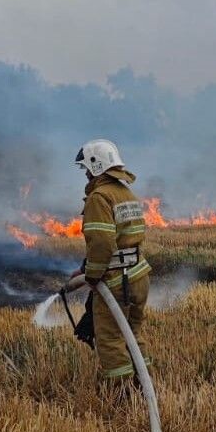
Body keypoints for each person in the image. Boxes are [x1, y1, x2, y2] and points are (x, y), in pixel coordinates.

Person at [71, 139, 151, 384]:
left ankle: (122, 392)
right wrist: (85, 268)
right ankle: (142, 383)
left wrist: (92, 276)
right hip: (138, 274)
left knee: (110, 339)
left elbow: (102, 243)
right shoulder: (125, 192)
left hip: (117, 280)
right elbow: (122, 237)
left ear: (97, 165)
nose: (85, 173)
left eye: (87, 168)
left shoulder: (99, 196)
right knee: (132, 334)